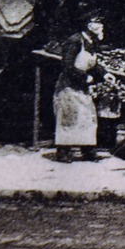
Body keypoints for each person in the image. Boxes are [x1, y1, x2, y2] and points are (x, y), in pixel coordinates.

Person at [52, 10, 105, 162]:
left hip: (82, 86)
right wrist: (84, 77)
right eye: (98, 23)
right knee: (69, 117)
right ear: (89, 25)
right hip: (69, 86)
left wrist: (103, 73)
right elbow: (67, 65)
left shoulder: (92, 41)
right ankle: (63, 151)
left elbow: (93, 63)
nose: (101, 26)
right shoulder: (75, 41)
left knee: (87, 117)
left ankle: (87, 150)